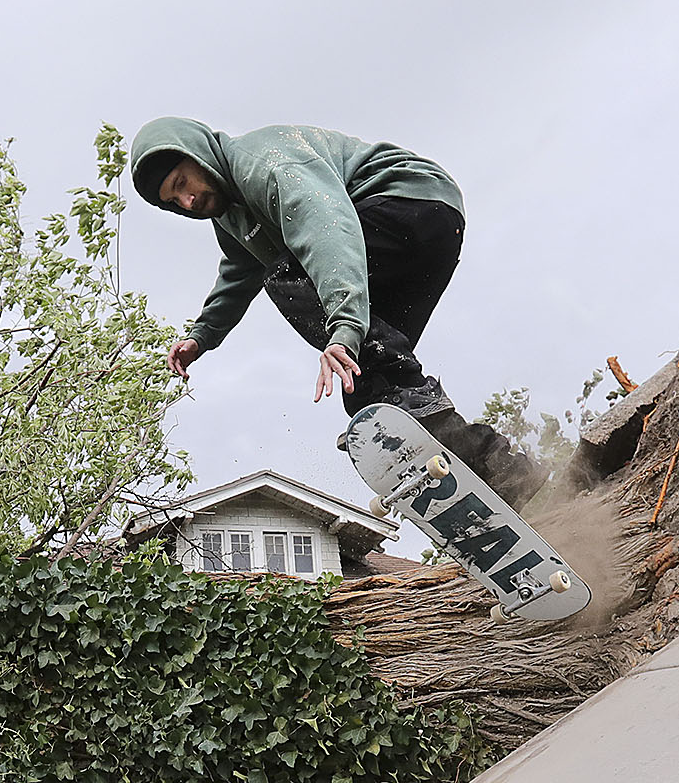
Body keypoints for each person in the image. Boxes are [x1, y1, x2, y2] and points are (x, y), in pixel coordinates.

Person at [129, 118, 543, 506]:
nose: (188, 200)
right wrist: (202, 336)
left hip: (409, 202)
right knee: (374, 377)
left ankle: (406, 400)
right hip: (424, 236)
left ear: (199, 155)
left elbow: (327, 231)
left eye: (184, 183)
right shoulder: (232, 218)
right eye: (175, 202)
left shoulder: (265, 164)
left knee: (298, 287)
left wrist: (343, 330)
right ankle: (502, 471)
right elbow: (238, 273)